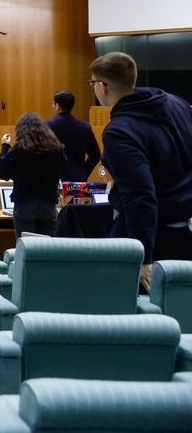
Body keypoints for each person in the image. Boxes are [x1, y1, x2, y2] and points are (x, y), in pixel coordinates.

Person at [91, 51, 192, 290]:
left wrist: (143, 256)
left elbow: (140, 195)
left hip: (155, 240)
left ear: (102, 86)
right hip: (186, 230)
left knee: (134, 319)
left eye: (92, 83)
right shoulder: (176, 104)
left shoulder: (120, 131)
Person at [0, 112, 67, 239]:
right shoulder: (55, 149)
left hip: (25, 205)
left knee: (26, 248)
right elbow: (64, 169)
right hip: (48, 205)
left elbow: (0, 170)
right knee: (48, 249)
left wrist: (5, 147)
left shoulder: (20, 149)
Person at [46, 89, 101, 182]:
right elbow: (96, 155)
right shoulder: (84, 127)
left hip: (53, 179)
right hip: (78, 179)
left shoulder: (47, 126)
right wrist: (84, 172)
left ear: (57, 106)